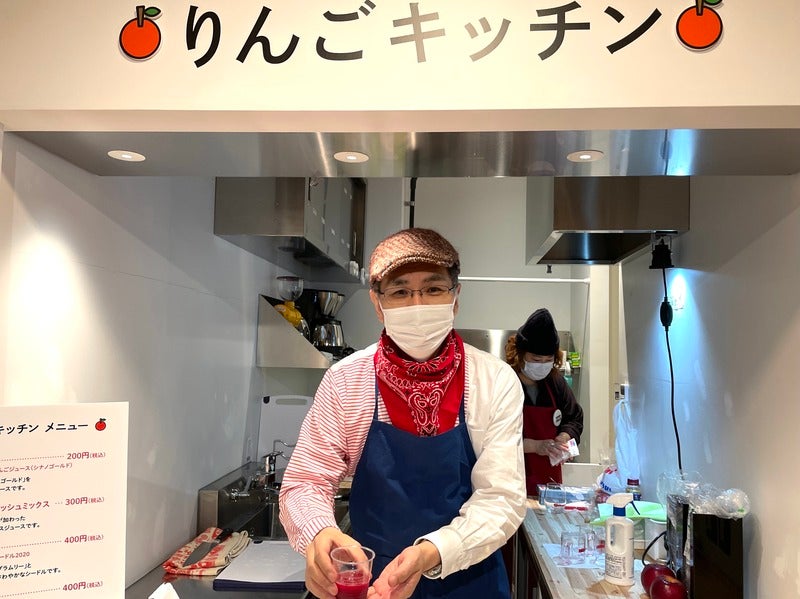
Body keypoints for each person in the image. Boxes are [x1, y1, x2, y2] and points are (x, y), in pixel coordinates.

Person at [279, 227, 526, 599]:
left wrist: (433, 552)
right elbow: (306, 481)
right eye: (399, 292)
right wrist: (319, 533)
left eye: (433, 289)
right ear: (377, 303)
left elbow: (502, 497)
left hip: (470, 577)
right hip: (374, 583)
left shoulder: (494, 380)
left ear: (456, 297)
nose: (418, 305)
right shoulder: (346, 381)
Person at [505, 308, 584, 497]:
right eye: (536, 359)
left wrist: (563, 438)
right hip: (512, 477)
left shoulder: (555, 382)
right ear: (520, 355)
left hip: (549, 478)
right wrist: (535, 446)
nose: (542, 365)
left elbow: (574, 417)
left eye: (548, 360)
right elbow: (496, 436)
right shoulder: (505, 382)